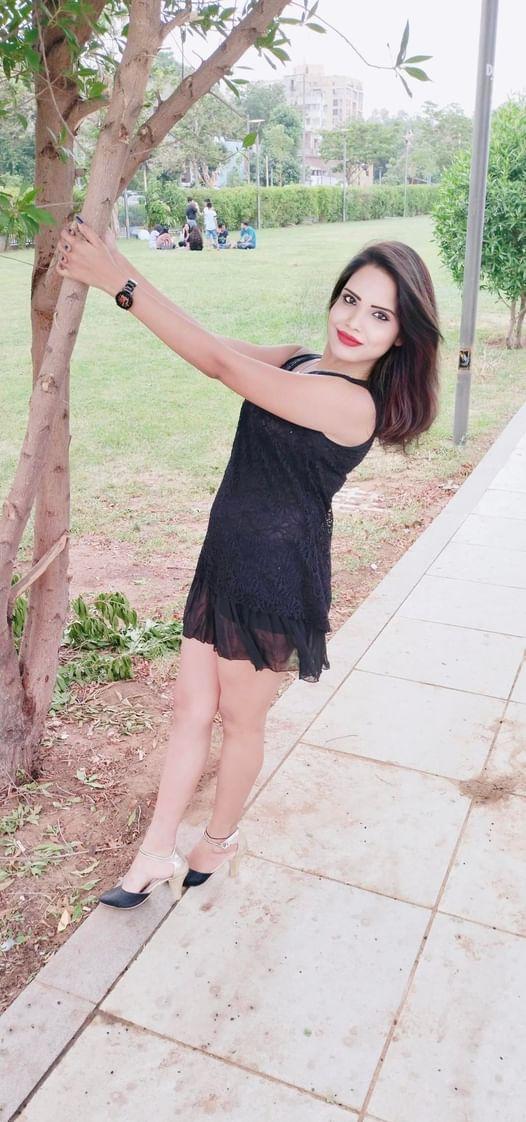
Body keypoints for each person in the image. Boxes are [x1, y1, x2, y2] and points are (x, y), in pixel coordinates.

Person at [56, 220, 440, 908]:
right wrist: (121, 269)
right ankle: (154, 853)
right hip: (225, 556)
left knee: (240, 722)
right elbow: (209, 342)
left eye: (380, 315)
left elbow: (221, 367)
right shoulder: (299, 362)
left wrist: (118, 282)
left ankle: (218, 840)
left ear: (402, 336)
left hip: (274, 580)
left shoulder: (353, 404)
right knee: (189, 709)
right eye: (350, 299)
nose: (355, 322)